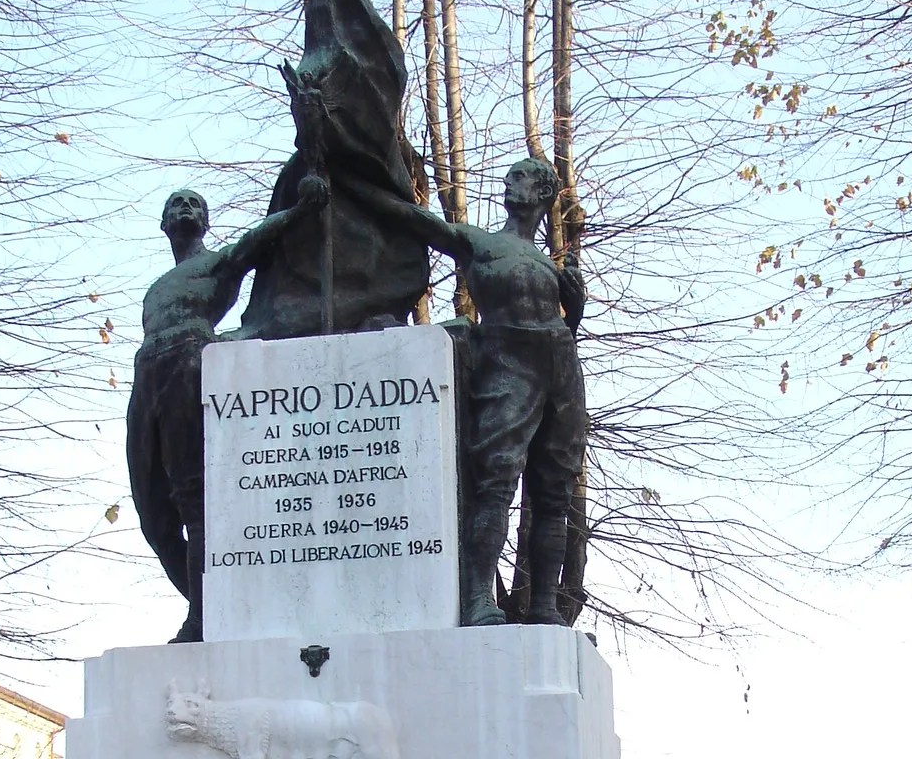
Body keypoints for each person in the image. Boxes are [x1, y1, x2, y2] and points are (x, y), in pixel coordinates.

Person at [345, 158, 586, 625]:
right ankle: (479, 598)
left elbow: (565, 325)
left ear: (541, 193)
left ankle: (544, 606)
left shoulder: (548, 263)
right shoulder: (483, 243)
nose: (507, 182)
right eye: (510, 176)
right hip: (507, 358)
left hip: (560, 365)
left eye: (520, 177)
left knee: (554, 492)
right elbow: (419, 221)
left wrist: (573, 303)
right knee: (494, 482)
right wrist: (359, 180)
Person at [126, 177, 326, 641]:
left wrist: (300, 208)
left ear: (205, 221)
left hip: (188, 361)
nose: (184, 207)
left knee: (189, 493)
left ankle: (203, 618)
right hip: (146, 372)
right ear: (163, 223)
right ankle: (213, 600)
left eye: (194, 202)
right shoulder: (156, 287)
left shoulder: (216, 263)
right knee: (151, 512)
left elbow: (255, 242)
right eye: (176, 201)